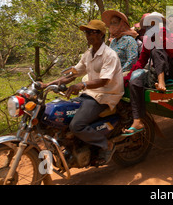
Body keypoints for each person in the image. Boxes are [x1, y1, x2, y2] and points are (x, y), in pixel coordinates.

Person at [43, 20, 123, 164]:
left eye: (91, 32)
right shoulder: (88, 54)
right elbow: (74, 73)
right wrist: (48, 84)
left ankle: (107, 145)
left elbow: (104, 80)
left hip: (105, 95)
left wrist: (82, 84)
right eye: (86, 32)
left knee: (77, 125)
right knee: (63, 115)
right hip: (90, 95)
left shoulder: (109, 54)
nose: (88, 35)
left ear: (101, 34)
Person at [123, 12, 173, 135]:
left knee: (156, 50)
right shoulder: (147, 40)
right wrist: (126, 78)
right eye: (148, 25)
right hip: (156, 72)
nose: (151, 27)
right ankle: (137, 120)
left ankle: (161, 82)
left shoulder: (167, 34)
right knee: (135, 80)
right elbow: (140, 62)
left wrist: (160, 37)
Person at [101, 10, 138, 74]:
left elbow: (132, 60)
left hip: (123, 72)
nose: (112, 25)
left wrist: (118, 72)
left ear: (121, 24)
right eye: (111, 23)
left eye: (114, 22)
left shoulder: (129, 40)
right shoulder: (113, 41)